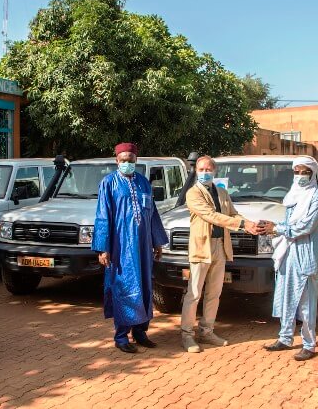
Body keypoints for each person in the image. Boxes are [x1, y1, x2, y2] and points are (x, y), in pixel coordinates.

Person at [91, 142, 168, 354]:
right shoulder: (108, 184)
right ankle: (122, 336)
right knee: (124, 286)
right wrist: (102, 248)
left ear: (136, 160)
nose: (127, 163)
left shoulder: (144, 183)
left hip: (143, 246)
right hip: (120, 246)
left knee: (144, 286)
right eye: (123, 160)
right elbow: (102, 216)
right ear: (116, 161)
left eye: (130, 160)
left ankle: (141, 332)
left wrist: (157, 241)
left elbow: (152, 214)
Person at [181, 155, 260, 353]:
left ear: (215, 171)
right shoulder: (193, 194)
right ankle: (187, 335)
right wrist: (242, 224)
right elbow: (211, 216)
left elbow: (232, 214)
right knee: (194, 293)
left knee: (214, 293)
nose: (205, 172)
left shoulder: (222, 192)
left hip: (220, 246)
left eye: (208, 169)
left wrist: (249, 224)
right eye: (201, 169)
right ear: (196, 171)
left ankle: (207, 331)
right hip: (201, 247)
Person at [260, 155, 318, 361]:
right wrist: (272, 227)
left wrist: (277, 228)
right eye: (296, 172)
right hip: (288, 252)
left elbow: (305, 226)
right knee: (286, 294)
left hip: (304, 254)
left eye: (304, 172)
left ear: (313, 173)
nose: (299, 176)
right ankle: (285, 337)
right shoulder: (292, 195)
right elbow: (288, 222)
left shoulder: (316, 197)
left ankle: (308, 344)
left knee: (305, 300)